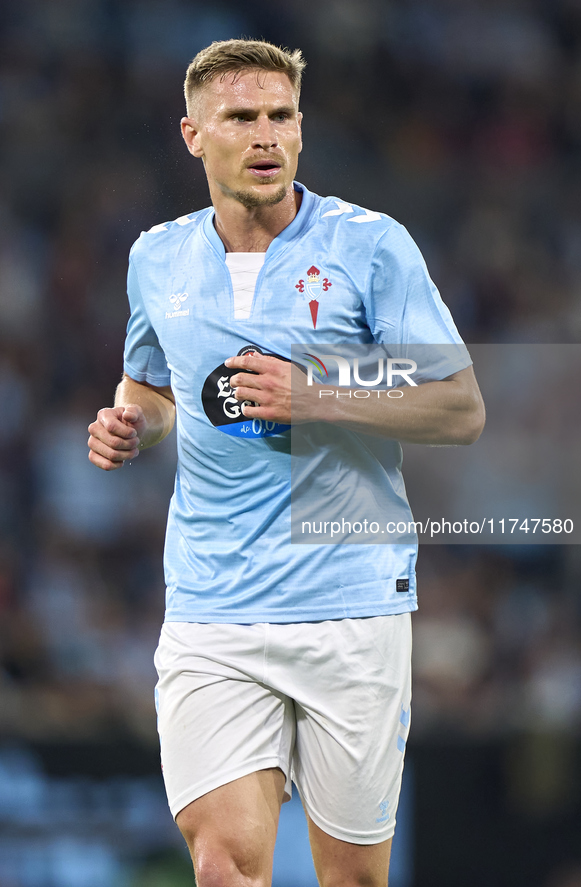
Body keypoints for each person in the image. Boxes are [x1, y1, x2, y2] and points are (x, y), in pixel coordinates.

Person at [88, 38, 485, 887]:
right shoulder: (156, 258)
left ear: (300, 130)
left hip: (348, 598)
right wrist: (132, 425)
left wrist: (319, 395)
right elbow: (152, 387)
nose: (265, 135)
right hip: (212, 604)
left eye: (280, 116)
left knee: (350, 878)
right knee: (225, 864)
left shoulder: (371, 248)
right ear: (192, 135)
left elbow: (459, 406)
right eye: (241, 117)